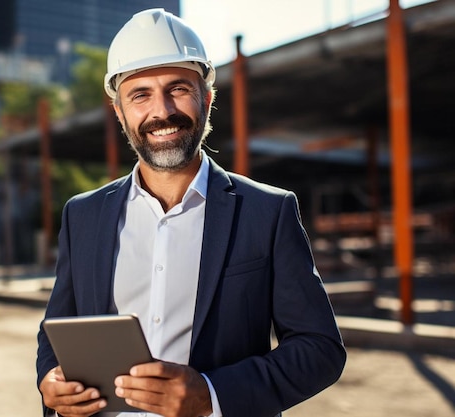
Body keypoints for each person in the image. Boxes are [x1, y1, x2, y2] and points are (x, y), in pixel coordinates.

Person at [37, 8, 346, 417]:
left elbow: (320, 348)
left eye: (178, 88)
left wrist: (212, 395)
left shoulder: (267, 211)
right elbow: (55, 334)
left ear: (207, 98)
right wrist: (50, 384)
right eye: (140, 94)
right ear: (119, 111)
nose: (161, 111)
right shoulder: (83, 216)